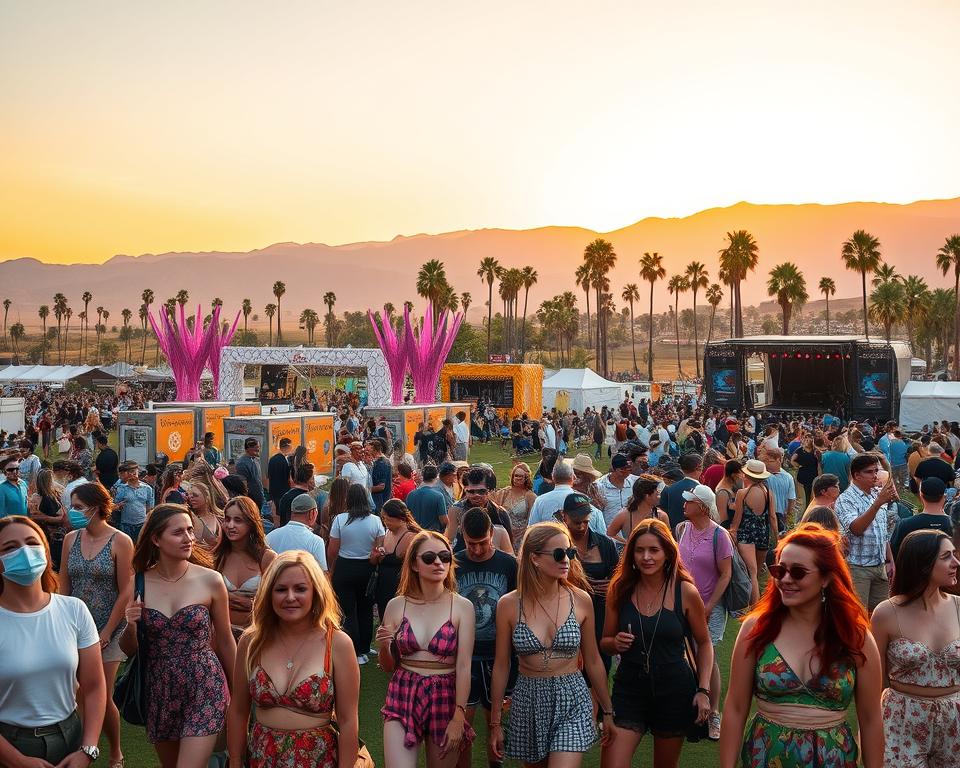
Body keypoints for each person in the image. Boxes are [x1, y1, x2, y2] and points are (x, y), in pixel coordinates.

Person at [719, 524, 883, 768]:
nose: (785, 579)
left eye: (798, 572)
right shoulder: (756, 628)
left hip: (832, 759)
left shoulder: (854, 636)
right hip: (765, 758)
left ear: (826, 577)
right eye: (779, 570)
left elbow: (870, 718)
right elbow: (735, 707)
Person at [488, 522, 616, 767]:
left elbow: (593, 659)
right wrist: (495, 724)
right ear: (534, 558)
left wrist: (607, 711)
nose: (566, 559)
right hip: (529, 698)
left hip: (572, 696)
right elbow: (502, 665)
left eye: (570, 552)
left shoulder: (580, 599)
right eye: (559, 554)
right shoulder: (508, 605)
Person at [120, 504, 236, 768]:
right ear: (155, 539)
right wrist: (130, 624)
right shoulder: (138, 583)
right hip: (159, 688)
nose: (189, 538)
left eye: (190, 530)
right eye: (178, 532)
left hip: (205, 684)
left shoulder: (211, 580)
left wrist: (240, 690)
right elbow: (128, 649)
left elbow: (227, 641)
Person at [227, 551, 360, 768]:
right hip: (262, 758)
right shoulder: (252, 641)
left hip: (318, 759)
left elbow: (348, 720)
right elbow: (239, 709)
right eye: (280, 589)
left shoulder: (337, 643)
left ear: (316, 592)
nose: (290, 597)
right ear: (269, 594)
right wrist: (234, 760)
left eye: (300, 589)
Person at [599, 518, 713, 765]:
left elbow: (704, 643)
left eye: (654, 550)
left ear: (668, 553)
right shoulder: (620, 589)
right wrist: (614, 642)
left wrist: (703, 690)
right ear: (631, 554)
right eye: (639, 550)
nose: (646, 557)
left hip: (674, 688)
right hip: (630, 688)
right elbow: (604, 642)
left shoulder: (685, 591)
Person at [0, 516, 107, 768]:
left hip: (69, 736)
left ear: (46, 552)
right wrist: (17, 761)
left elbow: (94, 686)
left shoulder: (74, 609)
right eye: (9, 548)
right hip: (10, 743)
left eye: (31, 542)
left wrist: (88, 748)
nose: (24, 552)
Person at [377, 531, 475, 767]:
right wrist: (383, 647)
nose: (439, 563)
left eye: (444, 556)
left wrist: (459, 716)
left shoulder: (462, 607)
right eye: (429, 557)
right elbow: (388, 667)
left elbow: (463, 667)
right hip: (403, 691)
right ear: (414, 564)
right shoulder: (396, 605)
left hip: (446, 695)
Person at [58, 482, 135, 768]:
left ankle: (115, 751)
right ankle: (81, 747)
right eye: (72, 507)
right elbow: (64, 581)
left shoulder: (121, 541)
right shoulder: (70, 539)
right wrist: (60, 621)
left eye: (78, 507)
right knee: (76, 693)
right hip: (74, 626)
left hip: (109, 628)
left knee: (101, 693)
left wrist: (105, 632)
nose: (73, 512)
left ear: (96, 507)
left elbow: (126, 590)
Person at [870, 530, 960, 767]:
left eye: (954, 554)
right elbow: (875, 681)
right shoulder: (886, 613)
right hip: (902, 719)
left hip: (955, 721)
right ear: (923, 563)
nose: (956, 562)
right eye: (946, 557)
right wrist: (868, 728)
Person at [453, 508, 518, 768]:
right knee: (462, 722)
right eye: (471, 543)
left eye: (482, 543)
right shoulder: (454, 562)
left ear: (493, 533)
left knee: (496, 719)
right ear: (463, 536)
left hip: (499, 654)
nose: (477, 550)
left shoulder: (508, 564)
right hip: (465, 655)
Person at [676, 483, 732, 740]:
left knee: (705, 652)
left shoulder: (719, 535)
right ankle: (694, 707)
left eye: (689, 501)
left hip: (710, 604)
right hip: (684, 602)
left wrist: (709, 605)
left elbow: (726, 574)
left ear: (701, 506)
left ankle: (714, 712)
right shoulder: (683, 528)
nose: (683, 504)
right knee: (688, 652)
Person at [561, 492, 620, 675]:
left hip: (600, 616)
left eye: (585, 521)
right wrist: (581, 585)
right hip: (567, 616)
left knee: (601, 665)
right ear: (564, 516)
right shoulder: (558, 545)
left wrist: (611, 585)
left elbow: (619, 578)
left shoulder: (604, 544)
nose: (581, 526)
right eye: (576, 521)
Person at [328, 484, 385, 664]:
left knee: (348, 610)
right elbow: (378, 548)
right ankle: (365, 647)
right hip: (367, 568)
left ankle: (357, 650)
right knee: (366, 609)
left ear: (348, 499)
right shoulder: (375, 520)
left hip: (345, 568)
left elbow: (332, 550)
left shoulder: (339, 519)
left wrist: (331, 568)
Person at [835, 453, 898, 613]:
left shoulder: (876, 494)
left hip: (879, 565)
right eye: (869, 472)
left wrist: (889, 559)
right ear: (856, 475)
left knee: (880, 615)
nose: (875, 475)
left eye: (876, 471)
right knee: (857, 616)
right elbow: (856, 529)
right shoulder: (845, 499)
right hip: (858, 567)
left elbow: (882, 533)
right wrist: (877, 504)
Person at [214, 495, 277, 638]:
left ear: (251, 523)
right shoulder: (218, 557)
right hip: (222, 636)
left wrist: (253, 604)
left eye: (238, 520)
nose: (230, 525)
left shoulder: (267, 557)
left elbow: (277, 599)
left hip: (257, 635)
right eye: (227, 519)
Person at [731, 459, 778, 604]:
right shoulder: (768, 493)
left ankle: (754, 607)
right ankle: (756, 605)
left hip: (746, 534)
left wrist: (732, 532)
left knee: (751, 573)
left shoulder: (742, 493)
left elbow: (738, 518)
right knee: (756, 573)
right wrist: (776, 538)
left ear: (748, 475)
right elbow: (772, 517)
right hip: (762, 534)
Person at [527, 460, 606, 535]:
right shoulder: (584, 501)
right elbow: (602, 535)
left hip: (549, 547)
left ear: (553, 477)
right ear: (573, 477)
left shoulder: (540, 501)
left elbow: (531, 530)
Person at [373, 499, 421, 622]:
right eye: (383, 518)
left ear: (400, 518)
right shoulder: (388, 531)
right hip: (383, 588)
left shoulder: (410, 537)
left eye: (387, 519)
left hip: (400, 588)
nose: (384, 522)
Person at [890, 476, 954, 558]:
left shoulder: (905, 525)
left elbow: (895, 555)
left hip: (914, 570)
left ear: (921, 495)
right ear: (944, 497)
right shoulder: (955, 525)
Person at [266, 493, 329, 571]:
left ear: (292, 512)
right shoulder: (316, 541)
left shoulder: (270, 536)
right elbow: (322, 574)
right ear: (312, 513)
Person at [606, 477, 669, 543]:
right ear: (647, 496)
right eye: (657, 494)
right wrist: (627, 544)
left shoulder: (661, 516)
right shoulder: (624, 515)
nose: (659, 497)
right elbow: (610, 534)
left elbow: (669, 540)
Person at [491, 462, 536, 552]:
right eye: (516, 476)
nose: (518, 478)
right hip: (504, 533)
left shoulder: (530, 496)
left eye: (521, 476)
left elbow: (532, 519)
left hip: (521, 537)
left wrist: (523, 533)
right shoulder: (504, 493)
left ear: (526, 478)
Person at [112, 460, 154, 543]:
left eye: (134, 472)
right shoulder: (121, 488)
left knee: (140, 546)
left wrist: (148, 522)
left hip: (142, 523)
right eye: (130, 472)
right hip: (126, 524)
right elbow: (115, 505)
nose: (132, 475)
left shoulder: (147, 488)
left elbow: (150, 506)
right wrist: (118, 506)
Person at [658, 453, 702, 529]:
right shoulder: (701, 490)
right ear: (699, 468)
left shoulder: (670, 489)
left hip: (673, 533)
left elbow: (662, 512)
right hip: (696, 533)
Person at [406, 465, 450, 533]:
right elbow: (444, 520)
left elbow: (408, 517)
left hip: (415, 534)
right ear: (436, 477)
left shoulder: (411, 495)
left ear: (423, 477)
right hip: (432, 535)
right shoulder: (438, 496)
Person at [595, 454, 636, 527]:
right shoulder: (599, 485)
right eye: (623, 470)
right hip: (608, 531)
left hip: (629, 529)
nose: (627, 473)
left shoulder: (633, 481)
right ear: (614, 469)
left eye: (629, 469)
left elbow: (659, 485)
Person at [185, 481, 223, 551]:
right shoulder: (188, 519)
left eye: (195, 495)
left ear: (207, 496)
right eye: (188, 495)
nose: (191, 497)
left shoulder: (220, 519)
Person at [277, 461, 318, 527]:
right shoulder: (308, 499)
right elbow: (312, 524)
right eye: (313, 477)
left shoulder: (285, 496)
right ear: (310, 480)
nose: (315, 481)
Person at [235, 438, 266, 517]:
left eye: (259, 447)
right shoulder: (242, 463)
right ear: (249, 448)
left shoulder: (255, 460)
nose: (259, 450)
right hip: (251, 499)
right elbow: (242, 484)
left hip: (259, 497)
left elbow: (257, 480)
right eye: (257, 447)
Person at [266, 438, 294, 516]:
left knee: (278, 514)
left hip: (274, 492)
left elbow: (269, 477)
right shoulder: (284, 461)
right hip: (283, 492)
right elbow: (288, 478)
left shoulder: (272, 459)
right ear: (288, 446)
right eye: (291, 447)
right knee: (284, 515)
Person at [791, 435, 820, 508]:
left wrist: (819, 475)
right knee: (803, 497)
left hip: (813, 476)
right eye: (805, 439)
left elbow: (819, 464)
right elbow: (792, 460)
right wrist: (797, 465)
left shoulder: (815, 451)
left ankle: (808, 509)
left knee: (811, 495)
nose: (807, 441)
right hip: (802, 477)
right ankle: (804, 511)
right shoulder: (800, 450)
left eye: (809, 440)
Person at [714, 459, 744, 530]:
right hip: (729, 530)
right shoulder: (723, 492)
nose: (741, 476)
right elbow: (723, 517)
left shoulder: (731, 487)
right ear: (733, 475)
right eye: (740, 473)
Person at [368, 438, 393, 513]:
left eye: (370, 450)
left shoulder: (380, 464)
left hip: (379, 503)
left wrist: (366, 490)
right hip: (383, 502)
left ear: (375, 450)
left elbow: (381, 486)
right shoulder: (385, 461)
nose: (368, 452)